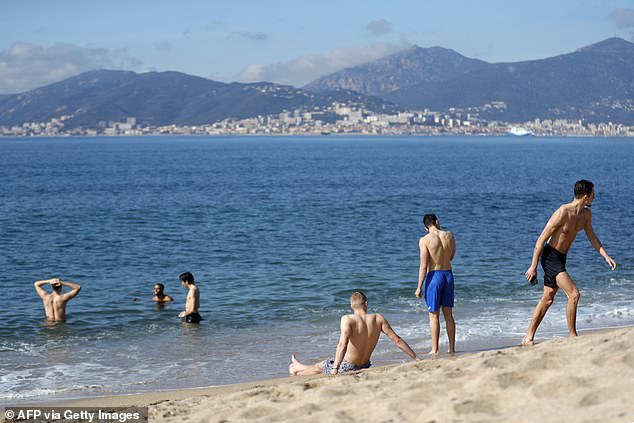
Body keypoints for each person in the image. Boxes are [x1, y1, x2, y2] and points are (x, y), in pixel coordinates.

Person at [522, 180, 617, 346]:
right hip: (550, 257)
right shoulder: (562, 213)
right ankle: (573, 336)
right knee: (574, 293)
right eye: (593, 195)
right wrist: (533, 265)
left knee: (548, 299)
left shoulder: (585, 215)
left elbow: (592, 237)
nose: (595, 198)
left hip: (561, 258)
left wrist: (605, 256)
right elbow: (541, 239)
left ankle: (527, 337)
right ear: (586, 197)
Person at [289, 291, 420, 376]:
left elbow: (342, 345)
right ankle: (298, 365)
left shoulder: (348, 319)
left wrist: (335, 368)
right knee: (323, 364)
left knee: (320, 366)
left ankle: (296, 370)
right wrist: (415, 358)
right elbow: (396, 340)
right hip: (365, 364)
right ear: (366, 304)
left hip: (347, 367)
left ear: (352, 306)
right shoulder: (378, 318)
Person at [415, 214, 456, 355]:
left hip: (435, 276)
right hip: (448, 275)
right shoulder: (449, 235)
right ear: (437, 222)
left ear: (425, 227)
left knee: (434, 315)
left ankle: (435, 349)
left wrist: (419, 287)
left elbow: (423, 266)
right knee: (449, 315)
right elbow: (451, 256)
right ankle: (451, 348)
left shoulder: (424, 240)